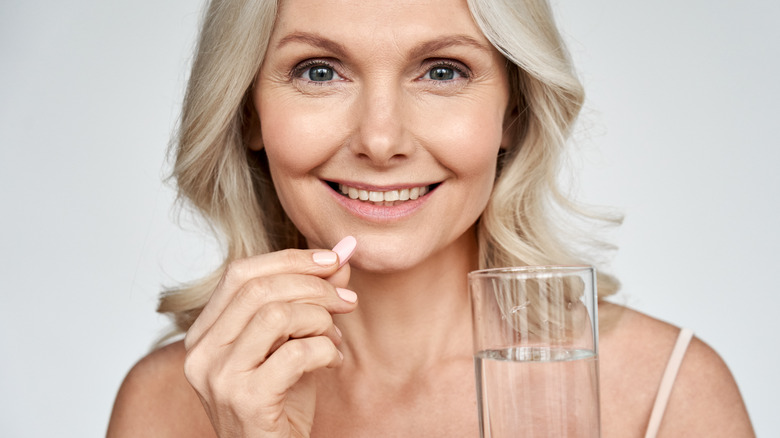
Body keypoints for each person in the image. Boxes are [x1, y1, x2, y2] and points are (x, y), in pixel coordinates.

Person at [106, 0, 754, 436]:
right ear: (248, 112)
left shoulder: (667, 395)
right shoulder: (166, 406)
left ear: (513, 114)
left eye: (442, 71)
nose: (381, 139)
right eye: (319, 70)